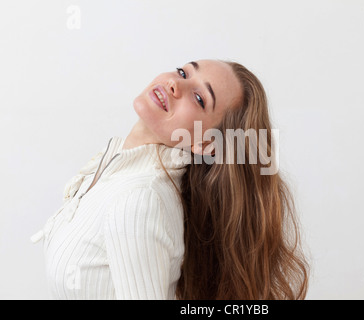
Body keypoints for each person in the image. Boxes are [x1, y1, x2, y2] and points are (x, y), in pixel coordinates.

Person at [31, 59, 309, 300]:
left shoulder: (139, 198)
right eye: (184, 72)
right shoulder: (119, 165)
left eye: (200, 99)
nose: (177, 85)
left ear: (205, 143)